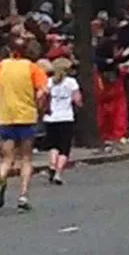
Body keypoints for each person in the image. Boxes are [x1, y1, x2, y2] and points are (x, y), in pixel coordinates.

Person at [0, 37, 48, 212]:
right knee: (26, 158)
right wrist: (38, 105)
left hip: (6, 116)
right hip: (27, 116)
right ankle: (23, 195)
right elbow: (43, 91)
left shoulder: (0, 67)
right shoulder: (33, 68)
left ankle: (2, 178)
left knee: (6, 157)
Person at [43, 57, 81, 185]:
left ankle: (52, 165)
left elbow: (43, 97)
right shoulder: (71, 82)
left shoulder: (48, 82)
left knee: (53, 145)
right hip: (66, 117)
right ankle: (58, 173)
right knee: (64, 147)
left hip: (51, 117)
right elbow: (77, 100)